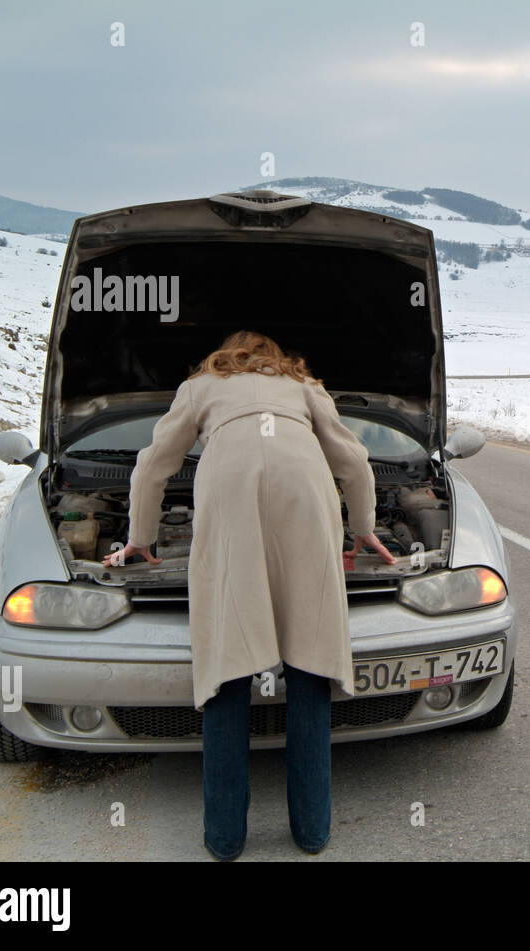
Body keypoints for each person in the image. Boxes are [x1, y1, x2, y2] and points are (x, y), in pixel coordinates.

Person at [103, 330, 397, 860]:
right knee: (310, 659)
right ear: (274, 358)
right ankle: (312, 829)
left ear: (225, 354)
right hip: (305, 492)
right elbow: (353, 459)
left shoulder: (200, 386)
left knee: (228, 663)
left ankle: (225, 838)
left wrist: (140, 538)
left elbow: (153, 465)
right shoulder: (301, 384)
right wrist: (364, 528)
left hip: (230, 493)